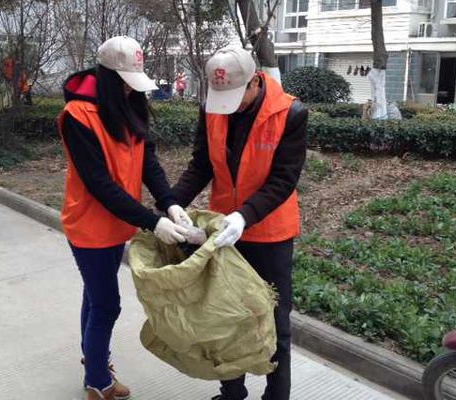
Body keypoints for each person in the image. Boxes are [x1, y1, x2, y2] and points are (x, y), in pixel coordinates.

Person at [170, 46, 308, 400]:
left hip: (270, 233)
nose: (227, 105)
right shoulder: (212, 109)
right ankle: (232, 393)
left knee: (274, 322)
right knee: (225, 316)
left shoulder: (290, 113)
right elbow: (201, 164)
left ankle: (276, 396)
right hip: (222, 230)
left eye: (235, 96)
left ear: (255, 82)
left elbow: (283, 180)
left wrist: (244, 216)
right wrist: (170, 204)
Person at [58, 36, 191, 400]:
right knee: (107, 304)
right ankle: (98, 382)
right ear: (107, 76)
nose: (133, 91)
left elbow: (147, 162)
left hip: (118, 224)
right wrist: (153, 222)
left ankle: (94, 361)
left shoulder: (129, 106)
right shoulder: (78, 117)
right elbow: (100, 184)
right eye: (126, 83)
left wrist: (169, 203)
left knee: (95, 294)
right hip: (89, 226)